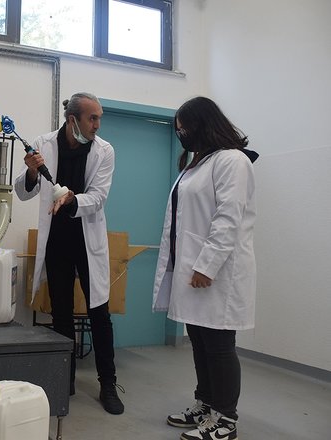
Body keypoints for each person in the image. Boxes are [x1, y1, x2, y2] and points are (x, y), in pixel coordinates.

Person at [152, 96, 258, 440]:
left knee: (219, 344)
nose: (181, 134)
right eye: (178, 129)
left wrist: (207, 266)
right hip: (193, 270)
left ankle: (225, 419)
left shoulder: (232, 161)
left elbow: (228, 219)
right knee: (199, 340)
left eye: (184, 128)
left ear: (203, 125)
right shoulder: (198, 164)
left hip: (217, 273)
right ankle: (206, 405)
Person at [14, 92, 124, 415]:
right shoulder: (44, 143)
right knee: (61, 313)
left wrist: (72, 199)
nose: (97, 125)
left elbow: (99, 197)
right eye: (93, 118)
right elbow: (24, 191)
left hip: (87, 240)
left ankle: (108, 383)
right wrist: (32, 172)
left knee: (99, 313)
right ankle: (66, 379)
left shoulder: (104, 151)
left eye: (99, 118)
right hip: (57, 240)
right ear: (72, 120)